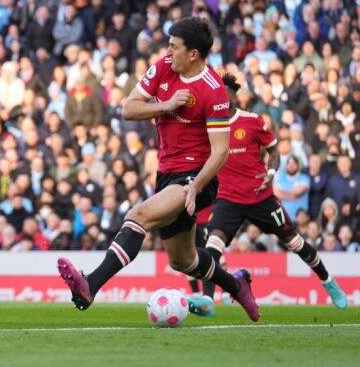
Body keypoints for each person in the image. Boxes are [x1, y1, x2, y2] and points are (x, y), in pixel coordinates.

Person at [57, 17, 260, 321]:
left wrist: (195, 187)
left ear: (193, 54)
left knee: (139, 215)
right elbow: (128, 107)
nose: (168, 51)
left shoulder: (213, 90)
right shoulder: (165, 65)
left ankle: (91, 285)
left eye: (174, 46)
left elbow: (220, 151)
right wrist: (164, 106)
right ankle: (237, 284)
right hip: (167, 175)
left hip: (197, 178)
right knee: (183, 260)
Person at [189, 75, 347, 316]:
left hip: (260, 197)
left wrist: (271, 172)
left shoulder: (252, 121)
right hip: (228, 199)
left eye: (224, 93)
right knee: (213, 245)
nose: (220, 97)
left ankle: (328, 281)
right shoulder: (210, 125)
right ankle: (207, 299)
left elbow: (274, 151)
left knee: (295, 242)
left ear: (233, 96)